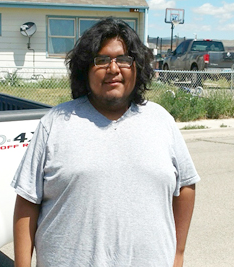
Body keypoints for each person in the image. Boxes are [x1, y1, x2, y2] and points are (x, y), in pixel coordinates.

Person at [11, 17, 200, 267]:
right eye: (101, 60)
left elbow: (185, 185)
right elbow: (27, 201)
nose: (113, 69)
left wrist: (178, 254)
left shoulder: (161, 120)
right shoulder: (55, 122)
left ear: (137, 67)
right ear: (85, 70)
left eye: (123, 59)